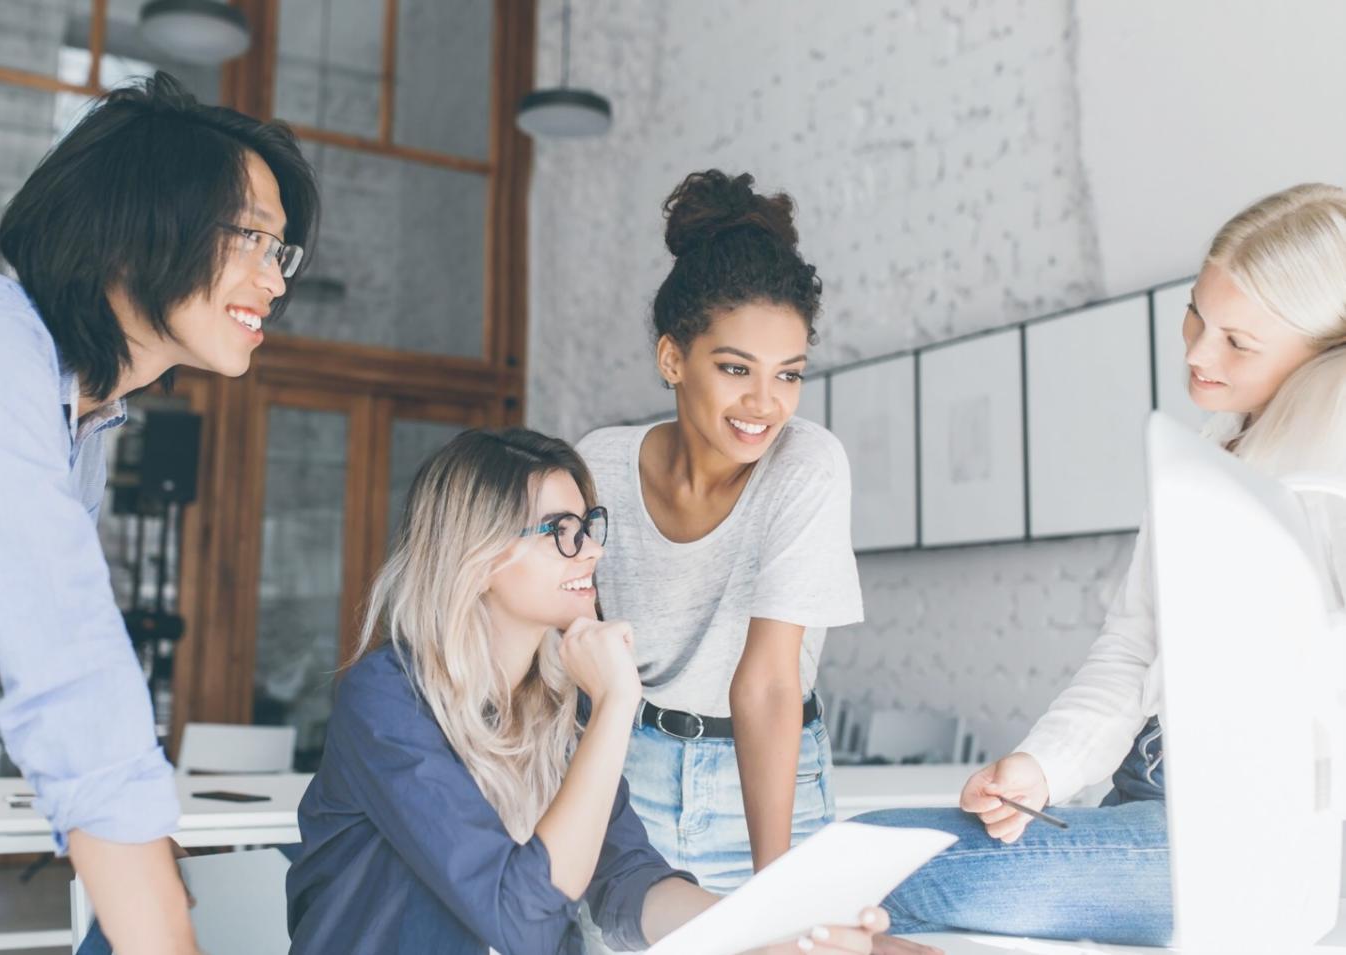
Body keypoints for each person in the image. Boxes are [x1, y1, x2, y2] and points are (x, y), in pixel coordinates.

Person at [0, 73, 318, 955]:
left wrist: (138, 852)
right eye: (252, 237)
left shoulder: (85, 425)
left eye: (282, 252)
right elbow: (64, 652)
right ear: (134, 225)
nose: (274, 280)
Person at [855, 183, 1346, 945]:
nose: (1196, 352)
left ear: (1323, 349)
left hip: (1245, 831)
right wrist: (1041, 766)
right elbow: (1130, 649)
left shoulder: (1325, 475)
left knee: (878, 868)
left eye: (1237, 342)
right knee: (860, 855)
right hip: (1143, 787)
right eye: (1195, 314)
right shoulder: (1209, 452)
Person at [284, 428, 897, 954]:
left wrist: (773, 932)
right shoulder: (389, 701)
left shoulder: (560, 701)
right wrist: (616, 704)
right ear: (479, 553)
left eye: (588, 526)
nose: (594, 550)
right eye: (562, 530)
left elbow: (625, 879)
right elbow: (519, 916)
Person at [576, 170, 863, 893]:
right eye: (736, 368)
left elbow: (767, 684)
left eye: (788, 375)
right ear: (672, 358)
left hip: (768, 783)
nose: (764, 403)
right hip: (626, 770)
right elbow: (568, 652)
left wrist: (771, 895)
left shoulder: (806, 466)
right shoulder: (598, 466)